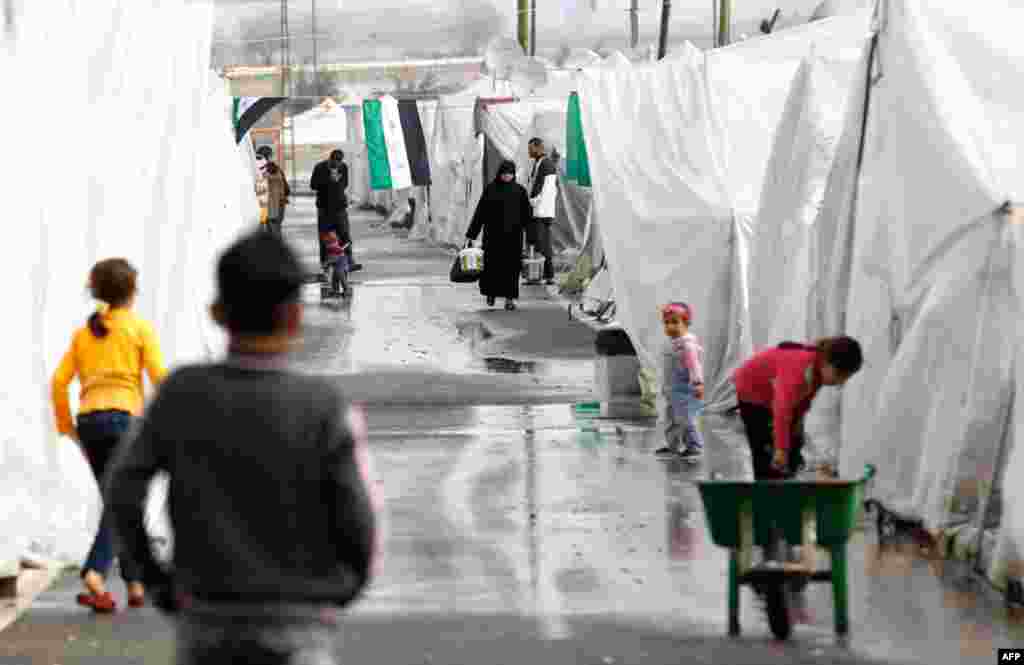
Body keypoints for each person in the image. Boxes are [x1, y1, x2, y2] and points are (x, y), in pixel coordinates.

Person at [106, 231, 380, 665]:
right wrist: (342, 587)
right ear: (296, 317)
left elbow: (123, 486)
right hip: (299, 621)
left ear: (217, 313)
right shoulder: (324, 406)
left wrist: (156, 579)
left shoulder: (181, 395)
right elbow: (359, 519)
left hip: (206, 617)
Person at [51, 258, 168, 613]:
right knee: (122, 502)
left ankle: (134, 583)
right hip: (124, 422)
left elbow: (58, 382)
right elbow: (160, 377)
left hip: (89, 424)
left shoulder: (84, 333)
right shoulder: (138, 329)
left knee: (117, 501)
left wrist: (66, 428)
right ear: (132, 293)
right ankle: (96, 573)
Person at [732, 337, 863, 480]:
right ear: (828, 363)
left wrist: (795, 432)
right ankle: (768, 488)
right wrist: (781, 449)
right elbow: (782, 408)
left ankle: (789, 481)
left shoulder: (818, 371)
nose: (841, 382)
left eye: (846, 378)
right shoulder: (801, 367)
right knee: (765, 447)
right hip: (751, 391)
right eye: (840, 375)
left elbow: (802, 404)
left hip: (771, 396)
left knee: (794, 440)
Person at [465, 160, 533, 311]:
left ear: (513, 174)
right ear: (499, 173)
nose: (507, 176)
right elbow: (480, 213)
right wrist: (472, 234)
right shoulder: (491, 189)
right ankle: (491, 294)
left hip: (513, 238)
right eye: (504, 173)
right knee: (492, 268)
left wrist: (531, 237)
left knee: (511, 269)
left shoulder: (520, 191)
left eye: (510, 174)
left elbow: (527, 215)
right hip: (493, 238)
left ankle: (509, 299)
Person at [654, 303, 705, 461]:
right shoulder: (672, 343)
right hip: (671, 390)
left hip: (685, 390)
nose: (670, 327)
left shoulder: (687, 344)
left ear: (686, 323)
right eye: (667, 323)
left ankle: (694, 446)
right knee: (670, 418)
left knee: (686, 419)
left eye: (675, 322)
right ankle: (672, 445)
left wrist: (697, 383)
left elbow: (694, 365)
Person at [310, 149, 362, 276]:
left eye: (339, 163)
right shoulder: (320, 167)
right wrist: (328, 181)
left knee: (345, 235)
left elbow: (345, 184)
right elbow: (313, 185)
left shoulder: (343, 167)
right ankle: (325, 265)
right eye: (334, 163)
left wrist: (337, 182)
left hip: (339, 208)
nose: (337, 165)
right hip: (324, 208)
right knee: (325, 237)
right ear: (330, 159)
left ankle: (350, 261)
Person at [526, 138, 558, 285]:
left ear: (539, 148)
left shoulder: (546, 164)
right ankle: (541, 274)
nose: (529, 151)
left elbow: (543, 188)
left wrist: (533, 201)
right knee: (541, 243)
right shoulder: (540, 163)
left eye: (531, 148)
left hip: (541, 211)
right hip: (541, 209)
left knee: (542, 243)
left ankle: (546, 275)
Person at [264, 161, 290, 236]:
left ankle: (274, 238)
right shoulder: (279, 173)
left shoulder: (267, 176)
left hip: (275, 202)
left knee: (273, 222)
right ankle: (276, 238)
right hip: (279, 201)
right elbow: (286, 189)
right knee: (276, 223)